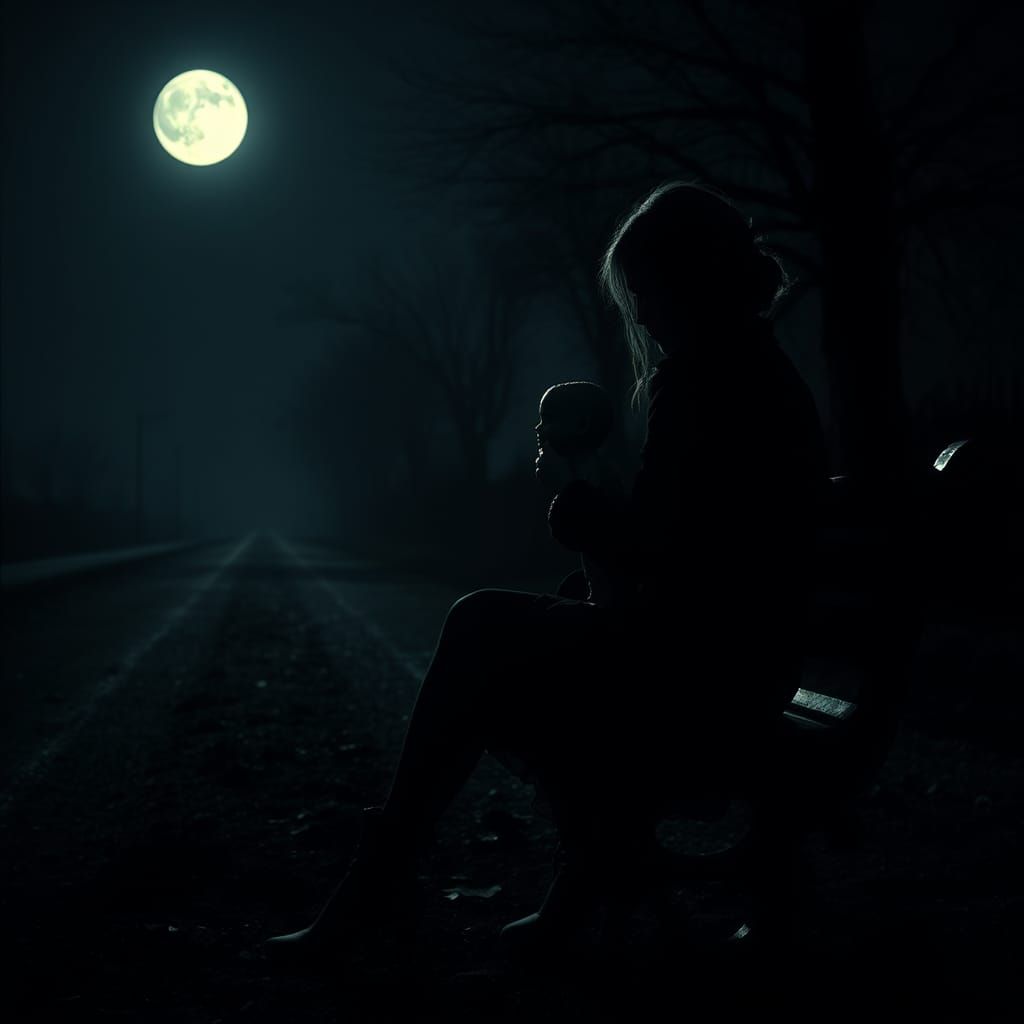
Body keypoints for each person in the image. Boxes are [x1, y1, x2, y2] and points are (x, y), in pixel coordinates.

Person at [264, 181, 829, 958]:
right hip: (745, 664)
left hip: (707, 683)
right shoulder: (759, 373)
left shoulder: (703, 378)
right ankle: (572, 877)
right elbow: (696, 546)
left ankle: (382, 886)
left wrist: (570, 498)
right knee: (534, 621)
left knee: (479, 625)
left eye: (645, 291)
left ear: (685, 282)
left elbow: (662, 550)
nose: (641, 315)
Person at [534, 380, 628, 607]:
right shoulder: (592, 470)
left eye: (547, 419)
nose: (538, 428)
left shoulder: (592, 475)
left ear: (581, 425)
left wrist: (565, 486)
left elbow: (584, 531)